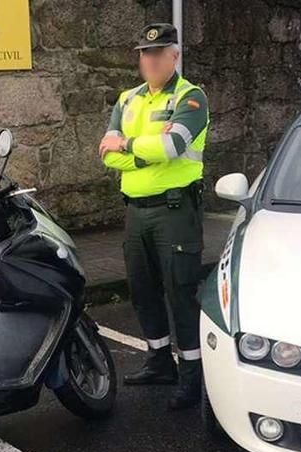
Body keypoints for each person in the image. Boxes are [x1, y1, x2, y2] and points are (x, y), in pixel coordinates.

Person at [99, 23, 210, 410]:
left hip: (175, 211)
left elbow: (174, 143)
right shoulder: (127, 99)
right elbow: (106, 154)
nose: (150, 59)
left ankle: (194, 378)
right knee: (143, 291)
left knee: (180, 293)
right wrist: (148, 149)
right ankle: (160, 362)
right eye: (145, 53)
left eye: (159, 52)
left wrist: (128, 145)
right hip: (136, 213)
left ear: (174, 56)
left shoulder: (191, 97)